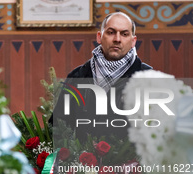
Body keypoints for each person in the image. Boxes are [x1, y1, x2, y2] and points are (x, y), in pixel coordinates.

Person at [52, 12, 152, 141]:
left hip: (131, 160)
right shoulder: (78, 76)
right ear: (99, 37)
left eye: (124, 34)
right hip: (83, 160)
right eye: (111, 32)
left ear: (133, 41)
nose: (117, 39)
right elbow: (59, 126)